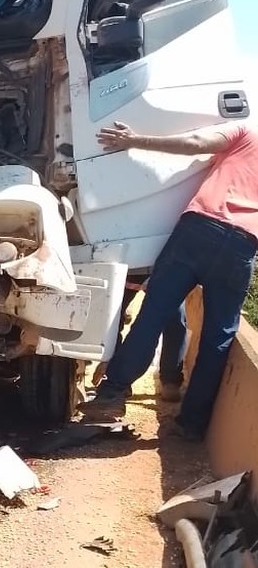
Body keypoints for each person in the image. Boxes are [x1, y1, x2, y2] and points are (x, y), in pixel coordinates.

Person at [84, 120, 258, 440]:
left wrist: (135, 139)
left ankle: (112, 394)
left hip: (199, 229)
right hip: (243, 247)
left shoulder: (247, 133)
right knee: (218, 338)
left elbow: (194, 141)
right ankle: (192, 424)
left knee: (154, 314)